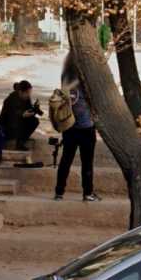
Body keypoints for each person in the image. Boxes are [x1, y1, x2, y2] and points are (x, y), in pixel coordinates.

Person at [54, 54, 100, 202]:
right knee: (87, 162)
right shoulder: (87, 77)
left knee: (66, 160)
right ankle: (87, 193)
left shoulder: (65, 76)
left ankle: (59, 192)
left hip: (69, 124)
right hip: (86, 125)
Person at [0, 80, 41, 165]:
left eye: (29, 93)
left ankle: (20, 143)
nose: (29, 95)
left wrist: (35, 109)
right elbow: (12, 115)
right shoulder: (10, 99)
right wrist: (22, 115)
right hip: (7, 125)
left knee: (34, 121)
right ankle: (0, 154)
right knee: (2, 132)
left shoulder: (26, 98)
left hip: (19, 123)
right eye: (27, 93)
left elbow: (28, 110)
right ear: (21, 92)